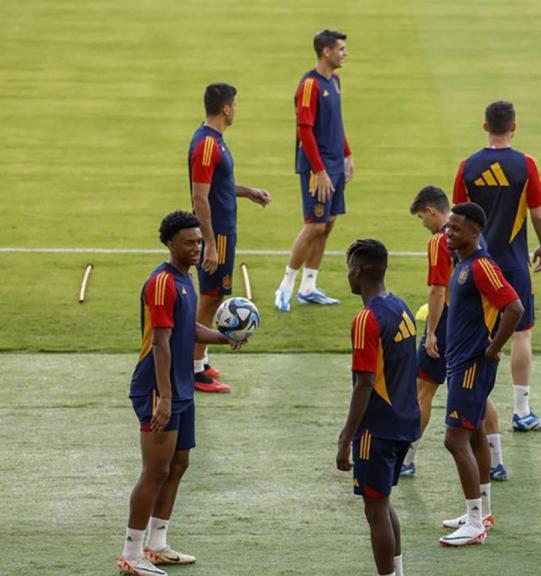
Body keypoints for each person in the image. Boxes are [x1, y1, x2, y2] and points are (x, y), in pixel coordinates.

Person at [118, 211, 243, 576]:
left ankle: (156, 545)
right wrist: (167, 396)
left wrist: (223, 337)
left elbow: (187, 328)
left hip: (180, 388)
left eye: (199, 241)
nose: (196, 248)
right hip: (159, 388)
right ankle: (131, 552)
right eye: (189, 242)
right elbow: (160, 343)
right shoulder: (162, 283)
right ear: (170, 244)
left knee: (179, 464)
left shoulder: (185, 281)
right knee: (155, 470)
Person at [453, 101, 541, 432]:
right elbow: (538, 213)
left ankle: (473, 406)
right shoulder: (526, 164)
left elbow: (456, 219)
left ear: (485, 127)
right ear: (514, 127)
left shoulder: (467, 166)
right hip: (512, 264)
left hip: (476, 266)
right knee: (522, 333)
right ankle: (522, 411)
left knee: (475, 336)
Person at [402, 186, 508, 480]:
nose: (423, 223)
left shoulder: (440, 240)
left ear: (432, 211)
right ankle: (496, 461)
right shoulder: (474, 232)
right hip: (476, 320)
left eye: (422, 217)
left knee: (423, 389)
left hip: (450, 321)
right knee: (478, 394)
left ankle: (407, 458)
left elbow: (437, 290)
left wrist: (432, 332)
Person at [438, 203, 524, 546]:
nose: (449, 233)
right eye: (448, 227)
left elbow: (515, 307)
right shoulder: (463, 265)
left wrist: (491, 348)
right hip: (461, 363)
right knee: (473, 437)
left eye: (456, 229)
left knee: (454, 440)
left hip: (472, 365)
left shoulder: (481, 266)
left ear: (475, 232)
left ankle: (474, 524)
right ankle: (481, 511)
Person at [336, 239, 420, 576]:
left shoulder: (365, 319)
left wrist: (346, 438)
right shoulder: (402, 307)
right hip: (405, 423)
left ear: (357, 273)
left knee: (375, 510)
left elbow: (364, 384)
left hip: (377, 428)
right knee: (382, 503)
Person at [188, 82, 271, 394]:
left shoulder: (214, 141)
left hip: (223, 230)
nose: (236, 109)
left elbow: (219, 186)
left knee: (215, 295)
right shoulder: (207, 145)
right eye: (235, 104)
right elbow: (200, 196)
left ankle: (201, 359)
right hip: (217, 232)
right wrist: (208, 242)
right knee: (210, 297)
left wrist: (248, 192)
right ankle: (194, 370)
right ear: (225, 108)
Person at [275, 29, 355, 311]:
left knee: (328, 223)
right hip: (316, 166)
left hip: (334, 162)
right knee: (314, 224)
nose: (345, 53)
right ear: (326, 52)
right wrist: (319, 170)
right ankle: (285, 286)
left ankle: (309, 286)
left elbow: (336, 121)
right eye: (341, 49)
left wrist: (347, 153)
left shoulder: (334, 80)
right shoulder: (309, 86)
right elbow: (304, 130)